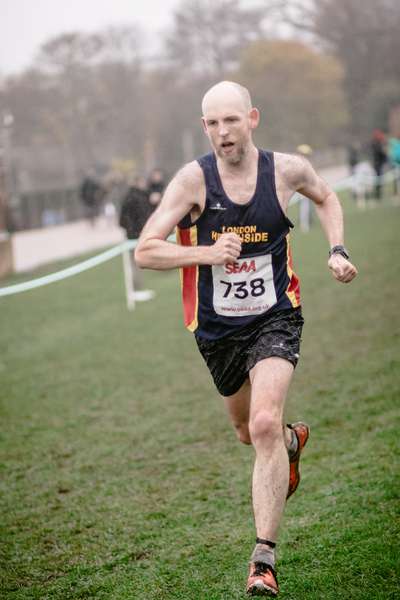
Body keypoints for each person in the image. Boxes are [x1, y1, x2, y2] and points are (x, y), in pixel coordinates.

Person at [136, 81, 358, 596]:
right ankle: (288, 445)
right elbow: (145, 251)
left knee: (263, 420)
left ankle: (263, 560)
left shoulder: (285, 172)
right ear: (203, 127)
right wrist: (206, 254)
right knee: (247, 432)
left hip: (277, 317)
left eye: (231, 120)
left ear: (252, 118)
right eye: (212, 123)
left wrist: (337, 249)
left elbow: (326, 197)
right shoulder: (193, 181)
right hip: (216, 331)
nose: (222, 132)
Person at [119, 175, 155, 301]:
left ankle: (138, 290)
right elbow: (123, 220)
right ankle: (136, 291)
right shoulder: (132, 198)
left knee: (138, 263)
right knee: (134, 264)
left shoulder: (140, 196)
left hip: (139, 235)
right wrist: (135, 232)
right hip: (134, 237)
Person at [370, 130, 387, 200]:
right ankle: (377, 195)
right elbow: (380, 153)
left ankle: (378, 194)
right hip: (377, 164)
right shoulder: (376, 144)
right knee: (378, 179)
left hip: (378, 163)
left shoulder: (377, 143)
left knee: (379, 179)